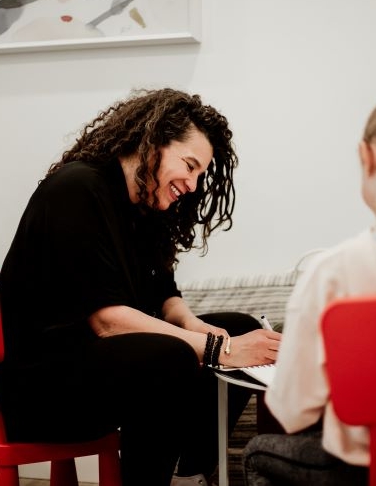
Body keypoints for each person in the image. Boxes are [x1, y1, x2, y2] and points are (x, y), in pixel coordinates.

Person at [0, 88, 281, 486]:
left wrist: (199, 327)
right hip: (45, 387)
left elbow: (166, 299)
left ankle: (191, 475)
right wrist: (222, 349)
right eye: (189, 165)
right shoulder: (77, 188)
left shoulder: (145, 207)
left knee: (236, 323)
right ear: (153, 142)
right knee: (169, 355)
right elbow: (109, 322)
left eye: (200, 173)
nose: (194, 183)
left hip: (108, 366)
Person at [242, 106, 376, 486]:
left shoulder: (333, 272)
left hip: (359, 466)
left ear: (364, 156)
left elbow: (293, 409)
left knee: (257, 452)